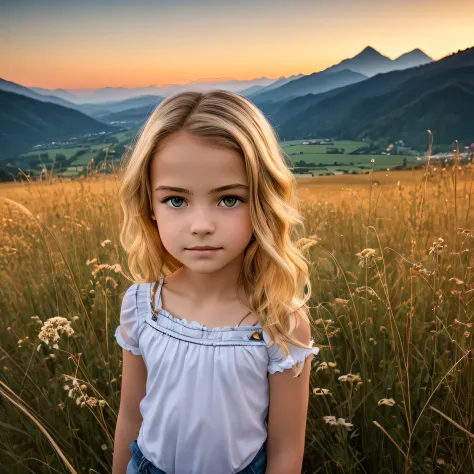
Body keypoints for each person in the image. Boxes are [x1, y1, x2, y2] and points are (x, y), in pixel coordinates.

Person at [112, 89, 320, 474]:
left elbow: (287, 451)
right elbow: (130, 418)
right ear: (150, 207)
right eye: (176, 200)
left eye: (228, 200)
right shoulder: (143, 308)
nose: (202, 226)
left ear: (261, 201)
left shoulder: (280, 323)